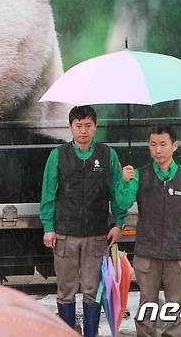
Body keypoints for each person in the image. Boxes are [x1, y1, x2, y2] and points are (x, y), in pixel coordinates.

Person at [40, 105, 127, 337]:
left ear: (95, 127)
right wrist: (48, 228)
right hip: (65, 235)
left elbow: (117, 193)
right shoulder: (58, 155)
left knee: (92, 290)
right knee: (66, 290)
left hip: (97, 235)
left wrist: (119, 224)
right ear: (70, 128)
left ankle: (90, 333)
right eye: (78, 126)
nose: (83, 131)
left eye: (88, 126)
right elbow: (48, 195)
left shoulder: (108, 155)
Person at [117, 125, 181, 337]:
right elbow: (122, 204)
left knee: (175, 308)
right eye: (153, 144)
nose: (158, 150)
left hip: (178, 254)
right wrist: (125, 181)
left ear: (174, 146)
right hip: (148, 254)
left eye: (163, 144)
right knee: (148, 306)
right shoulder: (139, 175)